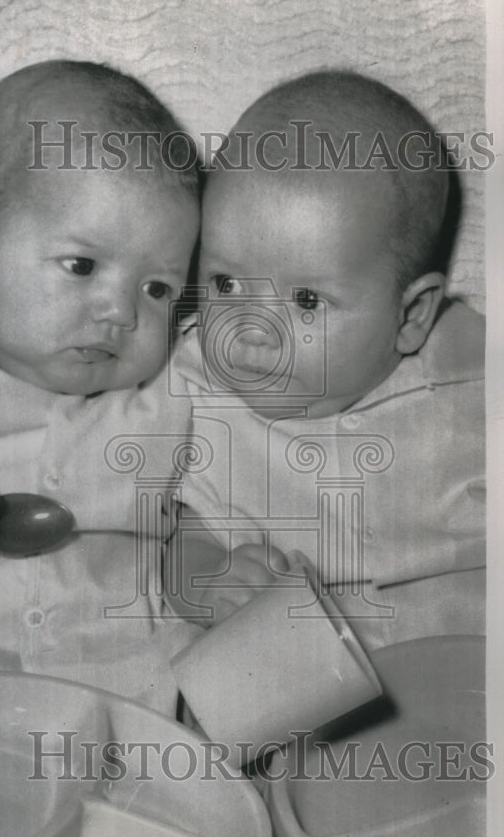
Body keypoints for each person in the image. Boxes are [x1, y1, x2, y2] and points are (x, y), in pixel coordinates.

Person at [0, 59, 206, 712]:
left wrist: (204, 566)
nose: (122, 311)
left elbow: (200, 507)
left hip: (117, 713)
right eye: (81, 265)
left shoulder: (168, 391)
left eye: (157, 287)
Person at [171, 71, 485, 650]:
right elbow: (180, 535)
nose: (251, 328)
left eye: (307, 300)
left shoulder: (468, 376)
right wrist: (205, 582)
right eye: (227, 283)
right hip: (314, 706)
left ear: (411, 315)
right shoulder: (195, 392)